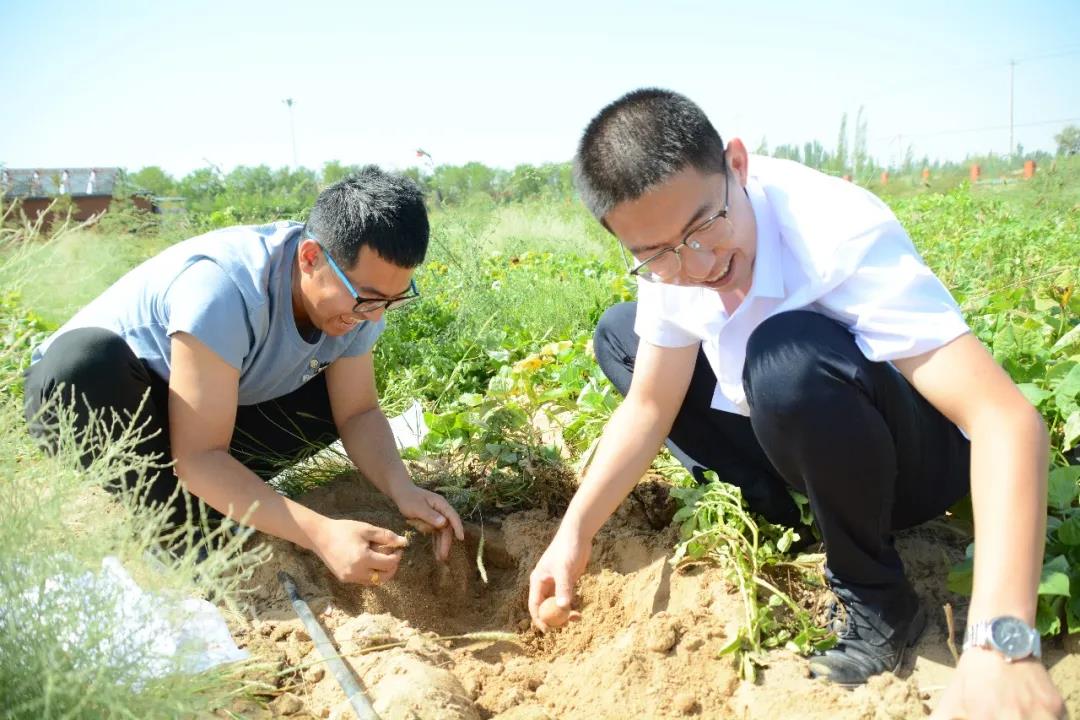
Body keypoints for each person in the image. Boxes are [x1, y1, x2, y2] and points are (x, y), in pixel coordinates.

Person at [527, 89, 1064, 717]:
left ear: (736, 163)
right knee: (622, 334)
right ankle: (784, 505)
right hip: (804, 428)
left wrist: (1004, 643)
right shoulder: (672, 253)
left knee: (784, 354)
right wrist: (571, 535)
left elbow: (1002, 418)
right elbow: (649, 405)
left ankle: (876, 597)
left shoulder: (836, 230)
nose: (697, 264)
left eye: (704, 227)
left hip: (910, 462)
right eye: (656, 254)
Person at [24, 166, 464, 586]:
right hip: (109, 400)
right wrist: (319, 533)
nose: (375, 314)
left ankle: (210, 501)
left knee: (325, 405)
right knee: (83, 365)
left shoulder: (359, 307)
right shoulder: (223, 289)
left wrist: (402, 489)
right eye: (367, 298)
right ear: (311, 257)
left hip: (206, 413)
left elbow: (357, 413)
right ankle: (176, 527)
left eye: (393, 299)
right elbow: (197, 455)